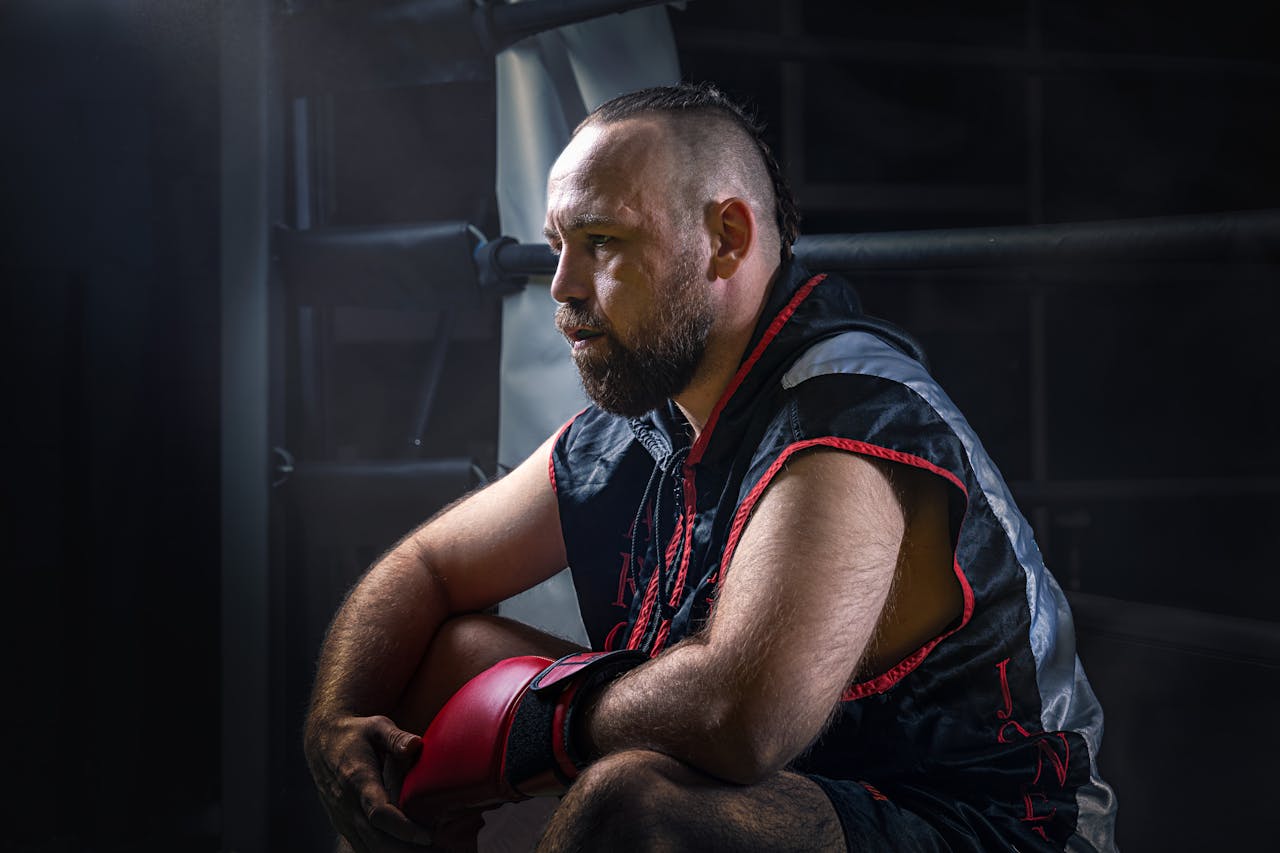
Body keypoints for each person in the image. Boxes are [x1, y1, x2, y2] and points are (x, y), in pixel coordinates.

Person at [303, 83, 1117, 852]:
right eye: (559, 246)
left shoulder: (844, 419)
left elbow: (739, 717)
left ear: (725, 240)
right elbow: (427, 566)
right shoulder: (660, 412)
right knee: (438, 669)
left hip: (981, 828)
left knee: (636, 809)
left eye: (603, 243)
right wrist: (336, 719)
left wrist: (542, 721)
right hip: (806, 793)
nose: (561, 285)